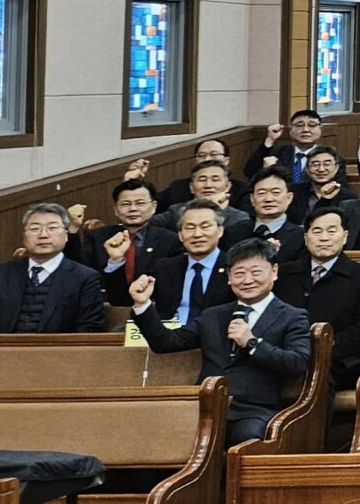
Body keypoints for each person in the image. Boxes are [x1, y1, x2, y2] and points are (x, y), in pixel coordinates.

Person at [126, 238, 313, 444]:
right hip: (203, 407)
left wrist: (252, 343)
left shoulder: (292, 316)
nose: (247, 280)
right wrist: (142, 305)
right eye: (239, 273)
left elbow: (297, 363)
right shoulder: (213, 315)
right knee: (152, 435)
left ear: (274, 271)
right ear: (229, 278)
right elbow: (165, 342)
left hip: (253, 411)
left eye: (256, 272)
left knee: (248, 438)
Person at [0, 204, 107, 333]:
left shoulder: (85, 277)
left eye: (52, 228)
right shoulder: (3, 272)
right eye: (35, 229)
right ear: (24, 237)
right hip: (3, 356)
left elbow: (90, 329)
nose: (43, 235)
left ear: (65, 236)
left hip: (58, 358)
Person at [274, 207, 360, 383]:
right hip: (285, 355)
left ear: (345, 236)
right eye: (317, 231)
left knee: (318, 375)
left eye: (331, 231)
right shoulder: (284, 273)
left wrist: (320, 348)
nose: (324, 238)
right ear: (306, 238)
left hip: (337, 359)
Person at [103, 200, 233, 322]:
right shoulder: (165, 267)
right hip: (168, 336)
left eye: (205, 227)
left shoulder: (233, 267)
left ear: (220, 231)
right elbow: (122, 300)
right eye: (190, 227)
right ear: (180, 235)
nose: (197, 234)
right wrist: (116, 259)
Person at [229, 170, 307, 263]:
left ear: (289, 198)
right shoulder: (233, 232)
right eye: (261, 193)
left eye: (275, 192)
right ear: (252, 199)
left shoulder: (301, 238)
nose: (268, 199)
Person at [248, 109, 329, 181]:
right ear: (291, 129)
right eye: (299, 125)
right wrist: (270, 139)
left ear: (320, 129)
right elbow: (250, 172)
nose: (305, 130)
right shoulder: (278, 153)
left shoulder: (329, 156)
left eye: (312, 125)